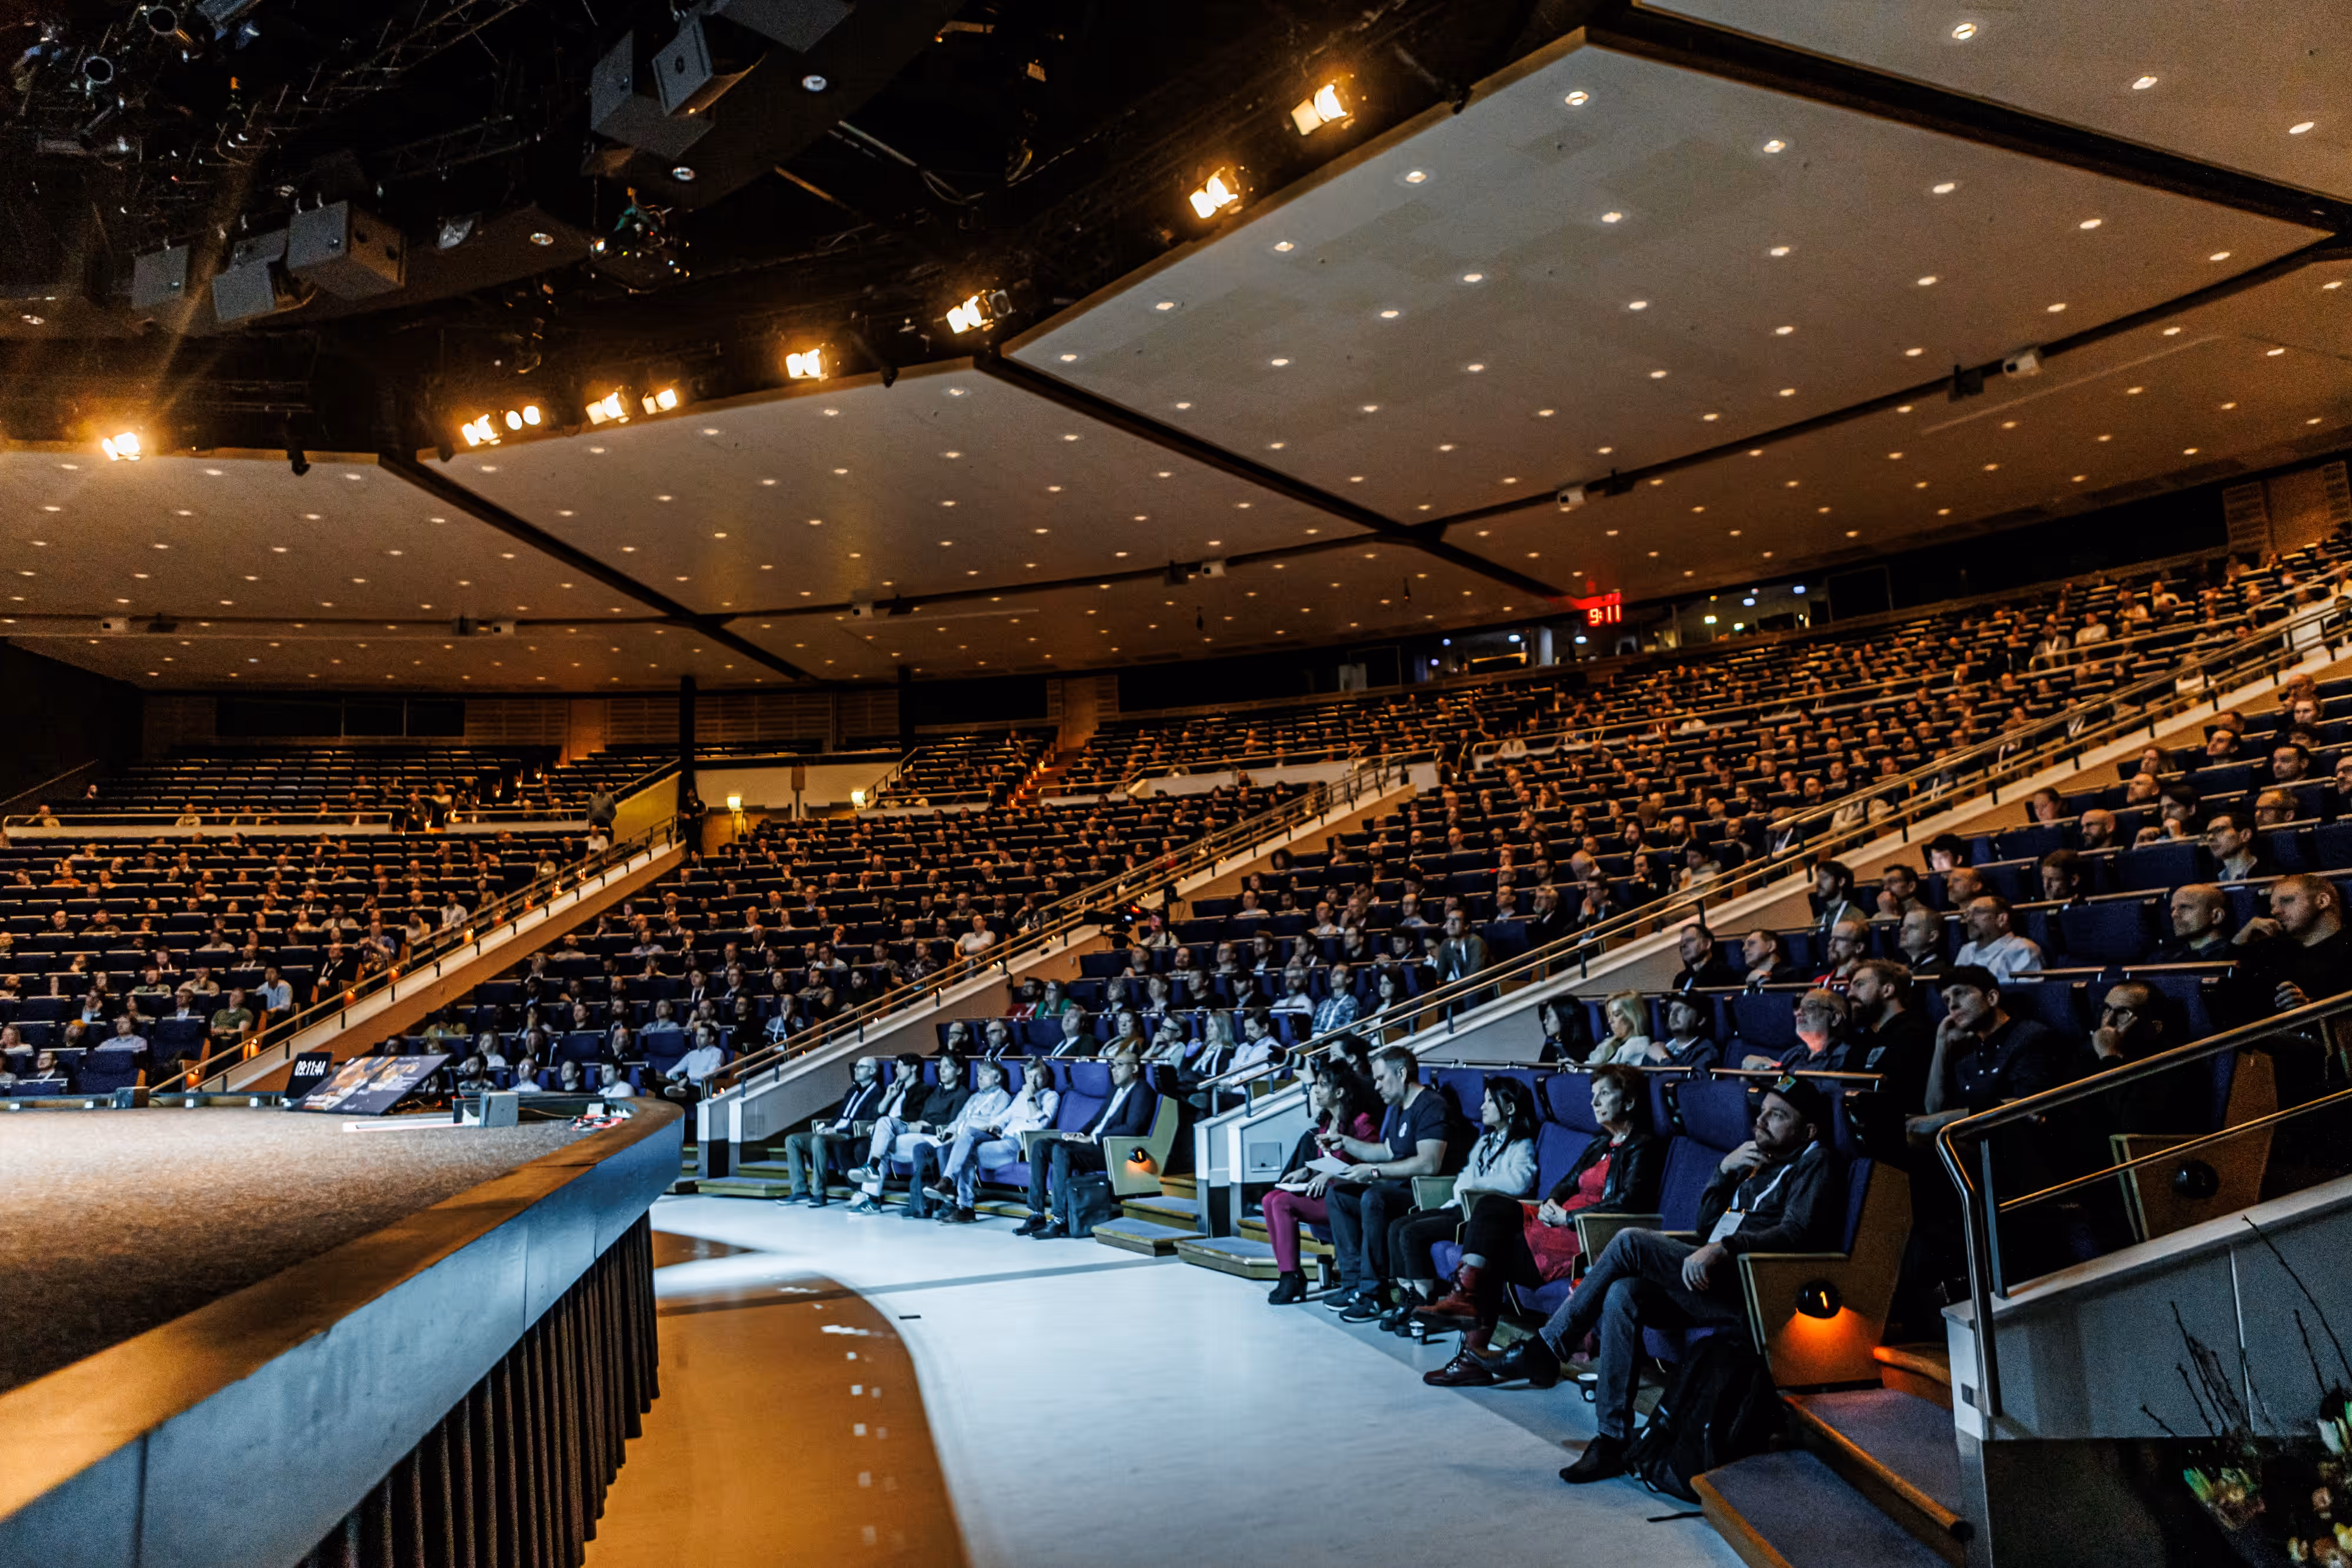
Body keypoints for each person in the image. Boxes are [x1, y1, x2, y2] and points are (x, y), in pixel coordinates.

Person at [1483, 1077, 1842, 1485]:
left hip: (1753, 1285)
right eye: (1762, 1112)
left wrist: (1725, 1247)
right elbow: (1708, 1223)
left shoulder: (1816, 1160)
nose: (1762, 1121)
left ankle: (1548, 1347)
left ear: (1808, 1129)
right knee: (1623, 1292)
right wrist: (1723, 1172)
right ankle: (1611, 1439)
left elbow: (1796, 1232)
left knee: (1629, 1240)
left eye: (1778, 1115)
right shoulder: (1756, 1160)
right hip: (1711, 1275)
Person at [1420, 1065, 1664, 1379]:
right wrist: (1552, 1203)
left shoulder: (1643, 1145)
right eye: (1593, 1095)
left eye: (1604, 1093)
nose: (1594, 1102)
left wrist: (1569, 1217)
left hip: (1586, 1236)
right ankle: (1464, 1312)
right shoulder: (1599, 1143)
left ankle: (1469, 1351)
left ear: (1629, 1101)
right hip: (1557, 1222)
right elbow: (1566, 1184)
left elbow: (1629, 1202)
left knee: (1492, 1254)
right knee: (1491, 1206)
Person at [1377, 1077, 1540, 1331]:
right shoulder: (1485, 1142)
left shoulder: (1522, 1144)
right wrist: (1463, 1190)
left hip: (1478, 1214)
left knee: (1412, 1233)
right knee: (1398, 1225)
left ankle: (1424, 1305)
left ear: (1510, 1108)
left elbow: (1519, 1181)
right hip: (1460, 1205)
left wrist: (1475, 1186)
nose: (1482, 1107)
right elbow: (1465, 1175)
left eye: (1490, 1101)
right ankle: (1407, 1298)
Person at [1322, 1046, 1456, 1320]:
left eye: (1381, 1078)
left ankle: (1374, 1295)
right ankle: (1353, 1286)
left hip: (1425, 1192)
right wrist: (1346, 1143)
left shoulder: (1431, 1105)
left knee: (1374, 1197)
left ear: (1402, 1073)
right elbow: (1387, 1151)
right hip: (1399, 1186)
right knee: (1338, 1196)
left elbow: (1429, 1164)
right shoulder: (1398, 1108)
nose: (1377, 1086)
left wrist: (1373, 1173)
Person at [1906, 966, 2075, 1141]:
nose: (1952, 1005)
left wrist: (1944, 1119)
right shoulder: (1966, 1049)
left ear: (1992, 998)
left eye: (1960, 993)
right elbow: (1933, 1109)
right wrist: (1942, 1042)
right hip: (1969, 1141)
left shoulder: (2030, 1037)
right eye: (1947, 1000)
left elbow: (2028, 1107)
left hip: (2012, 1147)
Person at [1262, 1064, 1384, 1303]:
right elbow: (1327, 1161)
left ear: (1339, 1093)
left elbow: (1368, 1166)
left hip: (1347, 1196)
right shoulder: (1326, 1121)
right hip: (1325, 1191)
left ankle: (1290, 1278)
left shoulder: (1362, 1123)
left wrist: (1331, 1176)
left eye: (1322, 1085)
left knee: (1283, 1204)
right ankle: (1290, 1273)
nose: (1316, 1091)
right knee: (1269, 1199)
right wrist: (1306, 1170)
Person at [1015, 1049, 1156, 1239]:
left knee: (1061, 1149)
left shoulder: (1143, 1090)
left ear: (1135, 1068)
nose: (1114, 1070)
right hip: (1091, 1145)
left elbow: (1132, 1129)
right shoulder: (1115, 1090)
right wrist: (1079, 1134)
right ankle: (1037, 1214)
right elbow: (1098, 1120)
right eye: (1112, 1065)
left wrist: (1092, 1139)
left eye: (1120, 1065)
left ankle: (1059, 1219)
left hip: (1111, 1150)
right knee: (1041, 1145)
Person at [921, 1055, 1061, 1223]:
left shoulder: (1051, 1097)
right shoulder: (1020, 1096)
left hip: (1017, 1144)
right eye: (1028, 1077)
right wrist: (994, 1126)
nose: (1032, 1081)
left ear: (1045, 1077)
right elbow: (1004, 1117)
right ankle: (951, 1186)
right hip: (1001, 1138)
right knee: (968, 1135)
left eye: (1036, 1076)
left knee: (966, 1152)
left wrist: (1031, 1097)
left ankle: (962, 1203)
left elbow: (1039, 1125)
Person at [848, 1052, 970, 1211]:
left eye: (948, 1067)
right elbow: (922, 1116)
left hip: (933, 1137)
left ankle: (872, 1198)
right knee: (883, 1123)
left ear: (959, 1071)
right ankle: (872, 1167)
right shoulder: (936, 1092)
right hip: (917, 1130)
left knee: (882, 1146)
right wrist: (918, 1124)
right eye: (941, 1066)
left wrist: (924, 1127)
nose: (942, 1070)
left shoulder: (962, 1094)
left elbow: (952, 1127)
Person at [901, 1057, 1013, 1219]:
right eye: (978, 1075)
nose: (979, 1079)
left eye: (985, 1075)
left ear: (997, 1078)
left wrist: (958, 1136)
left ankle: (949, 1201)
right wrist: (949, 1131)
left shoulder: (1003, 1097)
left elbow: (993, 1124)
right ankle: (921, 1204)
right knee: (921, 1149)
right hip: (957, 1136)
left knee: (945, 1150)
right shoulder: (975, 1097)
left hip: (980, 1136)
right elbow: (959, 1119)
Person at [778, 1055, 888, 1205]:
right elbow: (839, 1116)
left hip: (849, 1134)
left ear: (872, 1071)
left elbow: (866, 1120)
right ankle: (800, 1191)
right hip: (835, 1132)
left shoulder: (878, 1093)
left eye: (861, 1067)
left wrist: (835, 1131)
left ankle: (819, 1194)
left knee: (818, 1140)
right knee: (792, 1140)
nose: (856, 1069)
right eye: (856, 1066)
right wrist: (827, 1127)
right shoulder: (852, 1091)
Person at [1846, 959, 1933, 1118]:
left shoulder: (1918, 1035)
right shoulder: (1863, 1039)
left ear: (1888, 990)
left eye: (1859, 985)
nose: (1850, 994)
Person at [1612, 992, 1720, 1070]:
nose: (1674, 1014)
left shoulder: (1707, 1052)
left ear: (1701, 1020)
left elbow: (1688, 1086)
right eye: (1672, 1009)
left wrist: (1663, 1059)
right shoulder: (1661, 1046)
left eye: (1682, 1010)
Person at [1952, 895, 2044, 983]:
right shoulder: (1967, 950)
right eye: (1967, 914)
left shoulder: (2021, 949)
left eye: (1979, 912)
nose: (1969, 919)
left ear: (2002, 919)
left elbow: (2024, 992)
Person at [2149, 883, 2233, 964]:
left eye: (2185, 907)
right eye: (2173, 909)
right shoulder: (2161, 958)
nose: (2174, 915)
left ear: (2217, 916)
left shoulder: (2231, 956)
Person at [2204, 812, 2271, 885]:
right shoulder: (2208, 878)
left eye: (2219, 830)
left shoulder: (2269, 873)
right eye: (2208, 834)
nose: (2210, 838)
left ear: (2245, 835)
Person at [1668, 923, 1737, 991]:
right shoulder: (1680, 979)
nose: (1683, 945)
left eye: (1690, 940)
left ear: (1707, 944)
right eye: (1682, 942)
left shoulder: (1725, 975)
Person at [1739, 929, 1803, 987]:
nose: (1744, 949)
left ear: (1771, 946)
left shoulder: (1790, 976)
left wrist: (1765, 980)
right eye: (1744, 945)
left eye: (1751, 943)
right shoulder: (1743, 978)